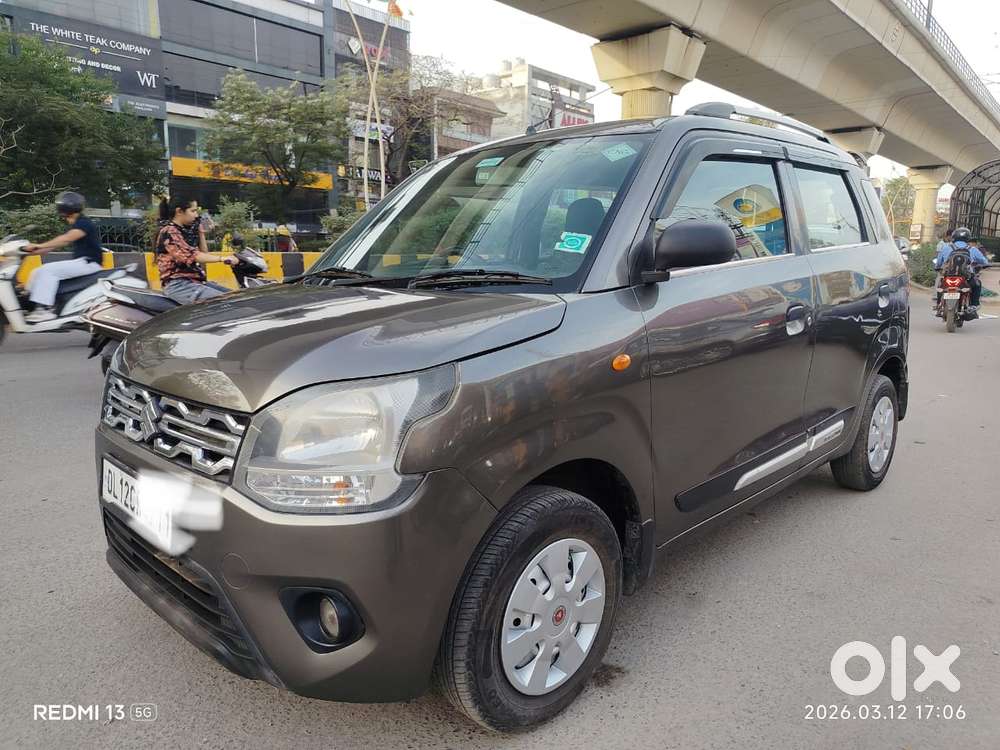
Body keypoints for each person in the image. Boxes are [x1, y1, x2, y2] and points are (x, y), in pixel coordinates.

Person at [21, 192, 105, 322]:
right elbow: (52, 246)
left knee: (47, 271)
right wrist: (30, 251)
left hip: (89, 263)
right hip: (82, 263)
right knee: (36, 271)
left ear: (65, 209)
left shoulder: (84, 223)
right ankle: (30, 306)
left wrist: (39, 245)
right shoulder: (77, 223)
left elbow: (65, 239)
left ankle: (45, 310)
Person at [156, 196, 237, 304]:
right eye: (193, 211)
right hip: (179, 285)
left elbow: (203, 255)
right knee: (224, 303)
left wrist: (201, 232)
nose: (196, 215)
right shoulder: (169, 231)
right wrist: (223, 258)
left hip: (195, 282)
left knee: (236, 298)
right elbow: (193, 256)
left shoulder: (186, 231)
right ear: (179, 211)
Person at [934, 226, 989, 312]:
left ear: (954, 237)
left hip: (948, 276)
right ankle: (974, 305)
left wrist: (937, 268)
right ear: (968, 238)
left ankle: (938, 304)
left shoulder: (946, 248)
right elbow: (984, 262)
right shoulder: (972, 249)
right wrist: (984, 265)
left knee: (941, 285)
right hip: (966, 278)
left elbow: (938, 263)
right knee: (977, 284)